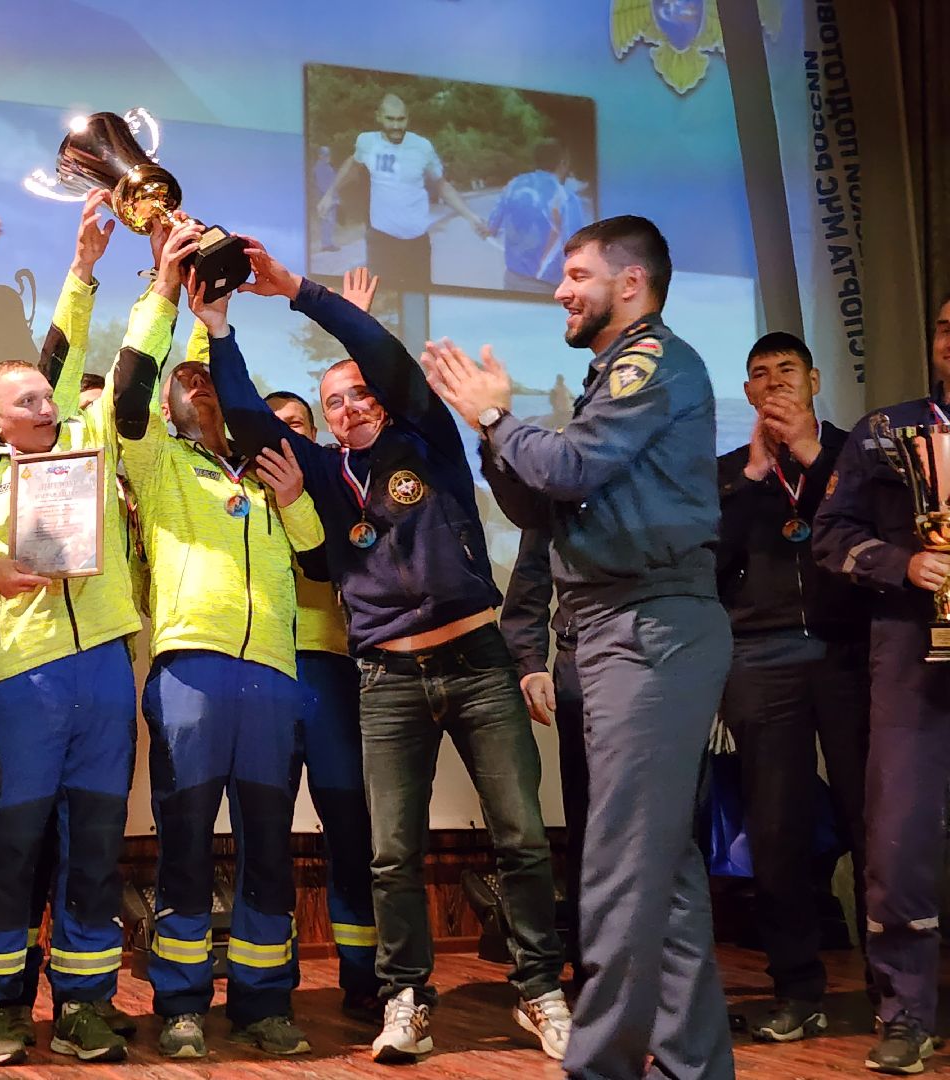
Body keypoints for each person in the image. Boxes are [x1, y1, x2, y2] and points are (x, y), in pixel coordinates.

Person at [202, 259, 568, 1065]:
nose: (351, 407)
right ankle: (406, 999)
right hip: (387, 680)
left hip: (477, 663)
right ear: (326, 421)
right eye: (335, 402)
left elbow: (388, 360)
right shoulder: (320, 477)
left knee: (521, 837)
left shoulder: (425, 437)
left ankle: (541, 990)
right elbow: (246, 418)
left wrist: (302, 292)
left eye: (361, 394)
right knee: (393, 851)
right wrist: (221, 328)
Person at [420, 215, 734, 1080]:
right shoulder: (608, 375)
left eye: (577, 273)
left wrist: (495, 414)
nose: (560, 288)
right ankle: (692, 1067)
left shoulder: (651, 361)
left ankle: (595, 1067)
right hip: (610, 631)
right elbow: (540, 507)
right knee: (660, 870)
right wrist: (489, 434)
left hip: (652, 625)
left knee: (621, 870)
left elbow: (566, 470)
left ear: (629, 283)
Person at [0, 192, 145, 1067]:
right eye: (27, 399)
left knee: (95, 844)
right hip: (31, 680)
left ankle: (85, 1001)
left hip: (104, 669)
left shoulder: (89, 442)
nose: (46, 404)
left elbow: (78, 347)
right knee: (10, 840)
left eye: (48, 394)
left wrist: (84, 268)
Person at [114, 218, 323, 1060]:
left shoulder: (266, 472)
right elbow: (129, 394)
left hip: (274, 674)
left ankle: (266, 1002)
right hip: (192, 672)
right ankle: (182, 1002)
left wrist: (298, 495)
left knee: (270, 844)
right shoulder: (159, 468)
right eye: (184, 380)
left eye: (210, 379)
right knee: (188, 843)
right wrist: (167, 300)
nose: (196, 387)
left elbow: (314, 555)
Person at [716, 331, 870, 1044]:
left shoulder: (857, 456)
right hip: (759, 659)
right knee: (774, 831)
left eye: (786, 370)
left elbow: (878, 528)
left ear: (813, 379)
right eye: (758, 375)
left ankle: (895, 992)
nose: (773, 383)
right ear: (746, 393)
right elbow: (710, 568)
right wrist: (750, 477)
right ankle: (797, 991)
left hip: (850, 656)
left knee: (875, 822)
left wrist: (812, 455)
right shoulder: (729, 475)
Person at [813, 292, 950, 1075]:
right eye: (941, 327)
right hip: (910, 655)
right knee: (898, 844)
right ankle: (905, 1016)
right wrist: (904, 564)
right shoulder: (887, 431)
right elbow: (831, 538)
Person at [260, 387, 381, 1022]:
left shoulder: (333, 491)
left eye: (300, 426)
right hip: (266, 672)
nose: (287, 435)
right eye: (275, 426)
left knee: (350, 828)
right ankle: (269, 979)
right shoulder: (244, 494)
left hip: (330, 672)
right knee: (267, 835)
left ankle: (365, 977)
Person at [498, 526, 586, 989]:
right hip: (583, 668)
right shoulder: (558, 479)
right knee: (590, 828)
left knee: (672, 830)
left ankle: (672, 979)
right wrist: (530, 662)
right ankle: (594, 969)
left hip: (662, 661)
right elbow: (528, 586)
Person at [315, 93, 485, 290]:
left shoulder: (422, 147)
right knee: (382, 297)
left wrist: (471, 217)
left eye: (401, 119)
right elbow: (352, 164)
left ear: (407, 118)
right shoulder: (367, 142)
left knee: (418, 296)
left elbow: (441, 185)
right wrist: (329, 194)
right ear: (379, 116)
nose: (396, 126)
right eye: (390, 119)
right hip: (382, 240)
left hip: (417, 243)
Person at [479, 139, 585, 294]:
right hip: (546, 287)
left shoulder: (513, 185)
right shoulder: (565, 198)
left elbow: (491, 227)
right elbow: (575, 249)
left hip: (512, 280)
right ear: (563, 163)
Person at [313, 146, 340, 253]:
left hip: (330, 197)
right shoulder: (319, 167)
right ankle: (326, 244)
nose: (327, 157)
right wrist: (328, 198)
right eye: (324, 155)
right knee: (327, 221)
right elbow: (323, 185)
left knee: (330, 221)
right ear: (320, 156)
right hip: (325, 198)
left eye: (328, 154)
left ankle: (327, 243)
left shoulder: (326, 166)